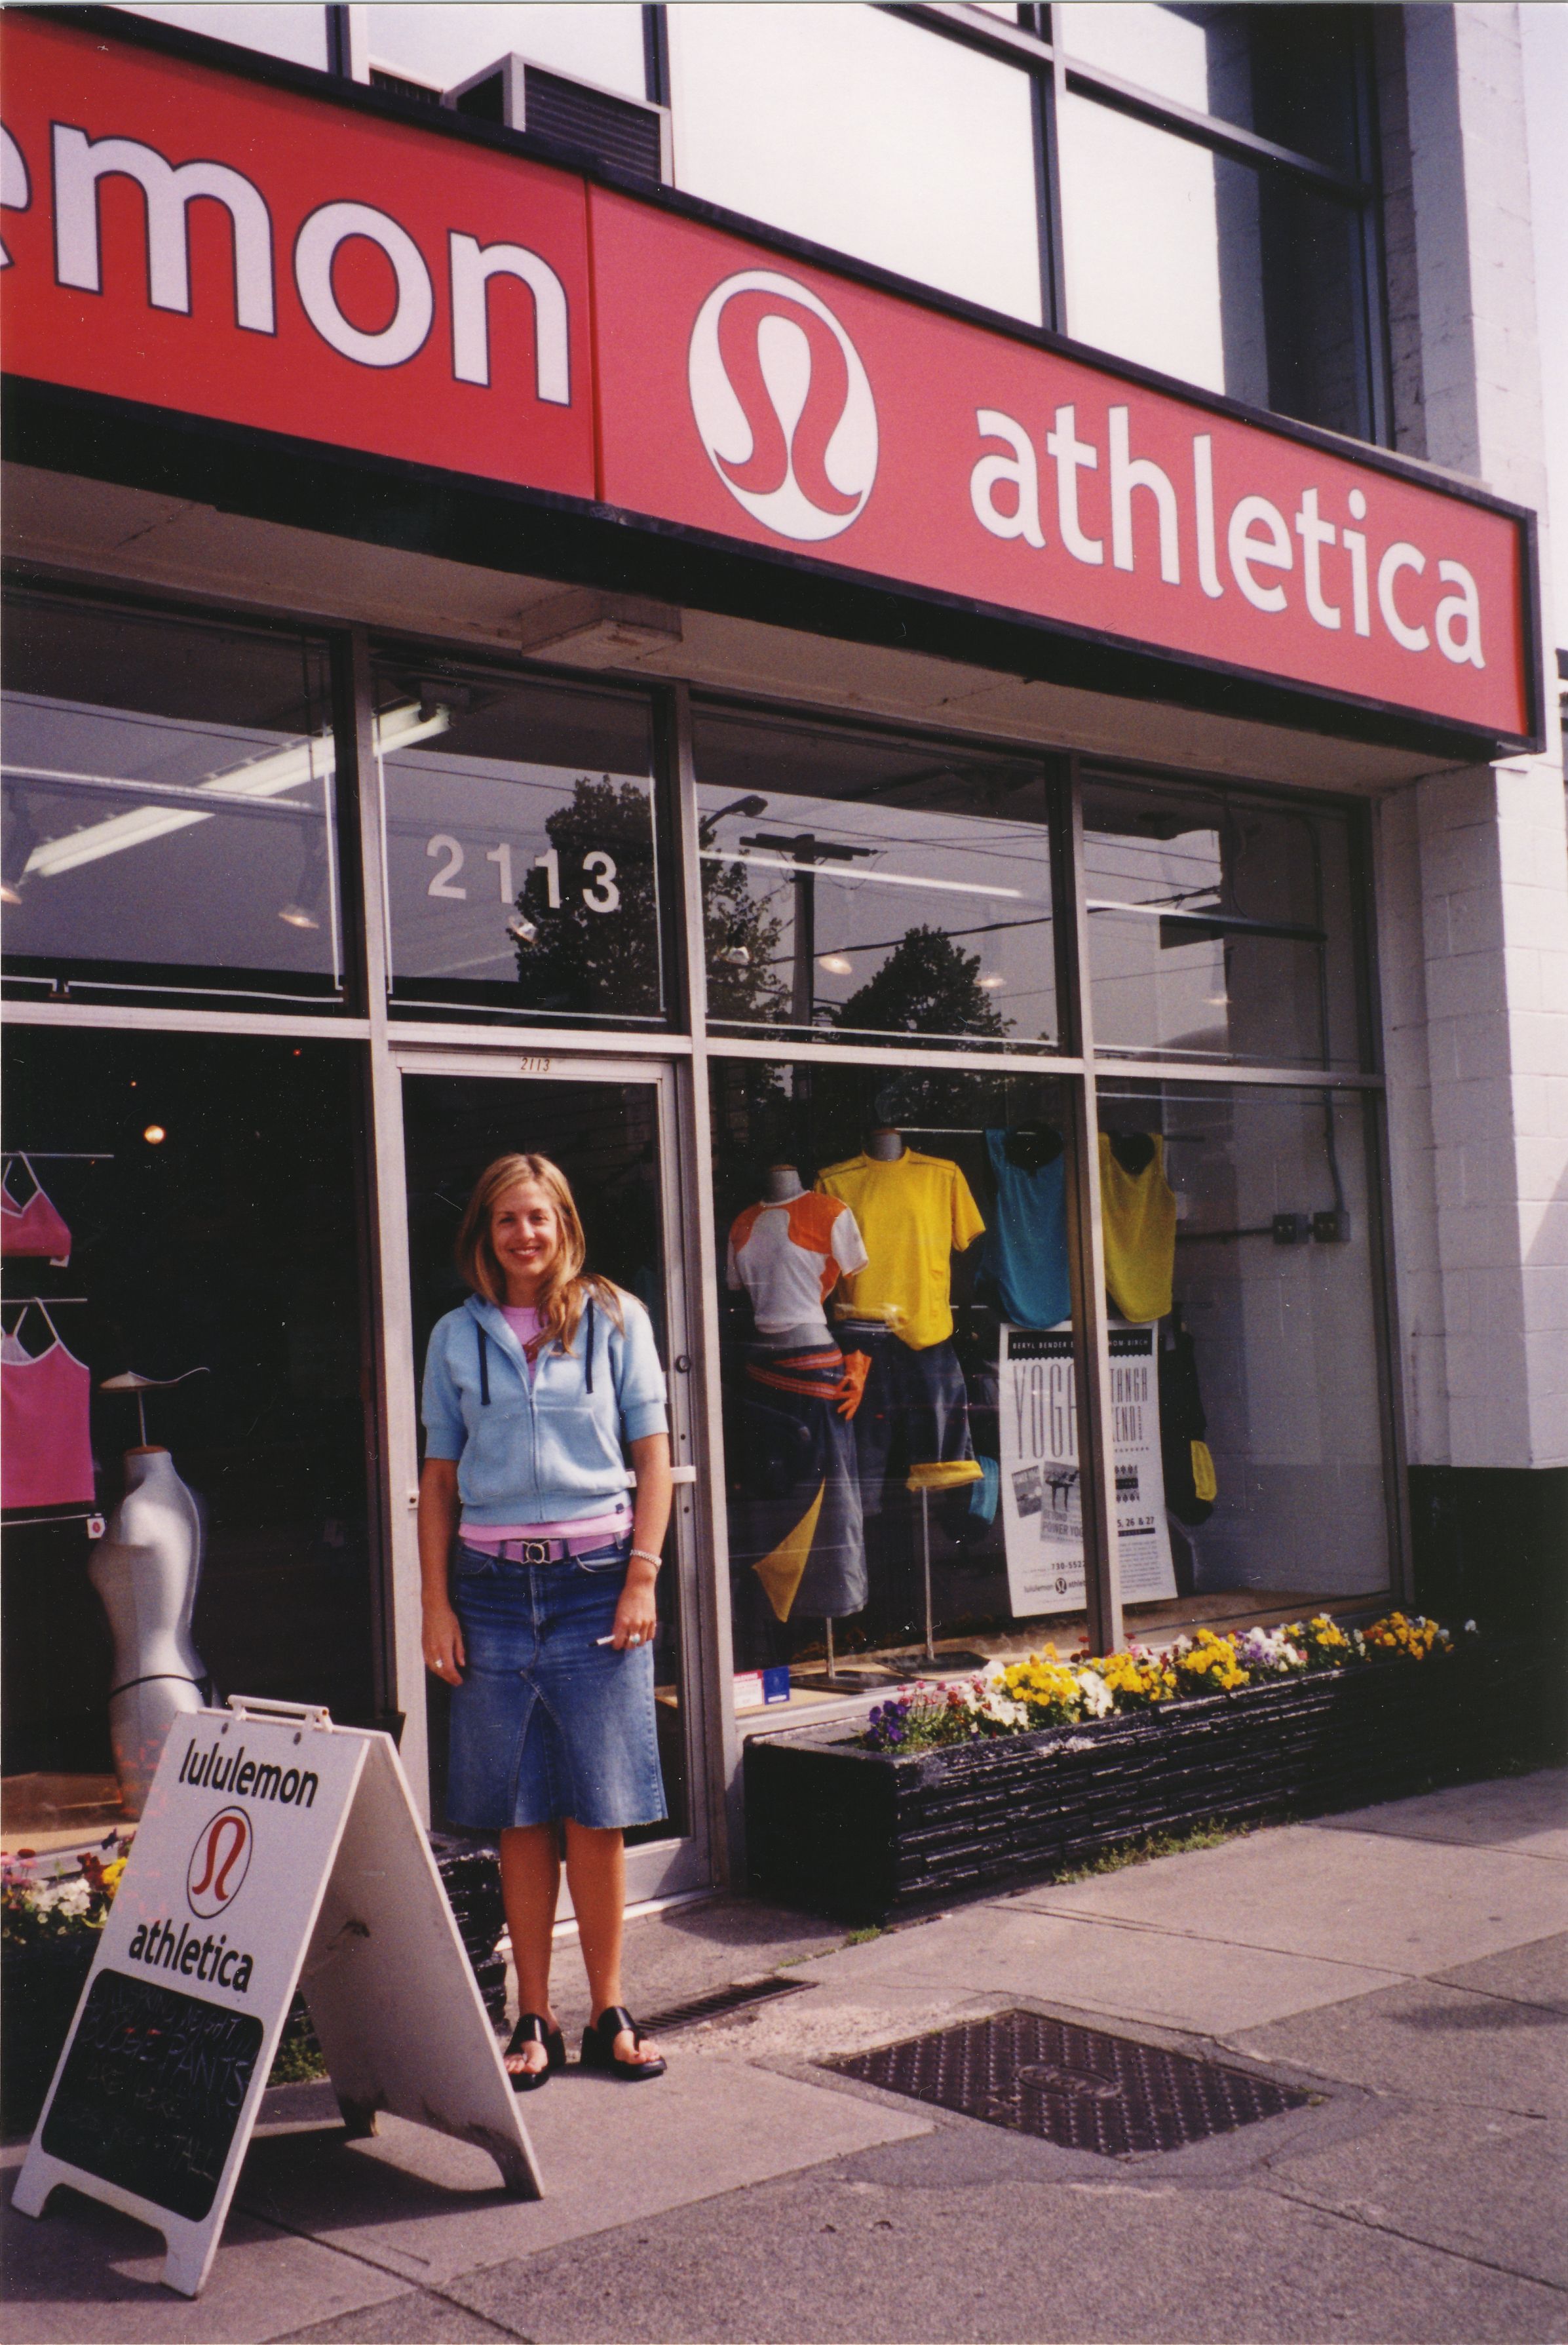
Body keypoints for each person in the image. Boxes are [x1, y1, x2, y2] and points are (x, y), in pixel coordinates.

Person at [419, 1152, 672, 2087]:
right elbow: (439, 1477)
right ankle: (535, 2015)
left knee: (597, 1810)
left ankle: (609, 2010)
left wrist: (642, 1577)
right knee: (518, 1815)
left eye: (538, 1217)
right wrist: (436, 1602)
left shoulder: (616, 1318)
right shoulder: (454, 1336)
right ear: (485, 1235)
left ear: (564, 1223)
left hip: (595, 1584)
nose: (524, 1234)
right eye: (506, 1220)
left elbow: (654, 1456)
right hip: (489, 1592)